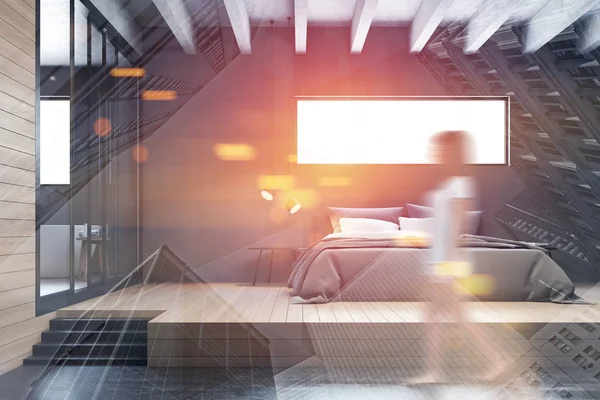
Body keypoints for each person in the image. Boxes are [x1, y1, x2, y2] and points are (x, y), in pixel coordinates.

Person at [410, 130, 507, 384]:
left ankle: (439, 372)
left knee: (441, 317)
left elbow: (459, 227)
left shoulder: (460, 184)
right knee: (451, 317)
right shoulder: (449, 183)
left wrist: (445, 268)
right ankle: (494, 362)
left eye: (439, 149)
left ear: (451, 152)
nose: (434, 153)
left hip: (446, 265)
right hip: (440, 262)